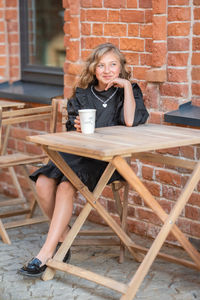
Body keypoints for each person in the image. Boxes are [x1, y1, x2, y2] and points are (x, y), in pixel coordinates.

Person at [18, 42, 149, 277]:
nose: (107, 70)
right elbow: (72, 131)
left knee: (67, 185)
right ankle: (64, 234)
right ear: (93, 68)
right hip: (80, 154)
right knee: (43, 183)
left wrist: (127, 86)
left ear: (121, 68)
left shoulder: (129, 91)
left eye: (113, 64)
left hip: (109, 160)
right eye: (101, 65)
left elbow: (130, 121)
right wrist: (76, 128)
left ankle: (46, 253)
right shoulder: (82, 93)